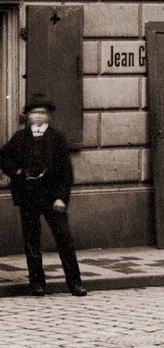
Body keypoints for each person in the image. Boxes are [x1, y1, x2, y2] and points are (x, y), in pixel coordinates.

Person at [0, 93, 85, 297]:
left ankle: (75, 283)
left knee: (64, 239)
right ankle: (37, 283)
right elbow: (4, 157)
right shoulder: (20, 138)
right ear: (27, 116)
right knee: (31, 241)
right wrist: (17, 172)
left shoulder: (57, 138)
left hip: (51, 197)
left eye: (42, 113)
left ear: (48, 116)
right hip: (28, 196)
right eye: (33, 113)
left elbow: (66, 172)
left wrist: (61, 198)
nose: (37, 117)